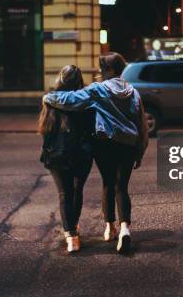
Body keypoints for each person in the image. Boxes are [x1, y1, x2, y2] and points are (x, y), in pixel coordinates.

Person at [43, 52, 149, 254]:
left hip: (105, 144)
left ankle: (110, 227)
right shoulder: (133, 91)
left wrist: (49, 97)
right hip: (128, 145)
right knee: (122, 187)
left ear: (106, 71)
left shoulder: (99, 90)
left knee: (109, 184)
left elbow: (71, 99)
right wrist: (140, 150)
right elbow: (141, 123)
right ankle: (125, 228)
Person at [38, 65, 94, 253]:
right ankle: (73, 227)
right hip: (82, 153)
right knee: (77, 191)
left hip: (57, 154)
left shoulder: (50, 101)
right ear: (79, 81)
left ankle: (71, 237)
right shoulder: (87, 101)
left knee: (64, 194)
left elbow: (46, 130)